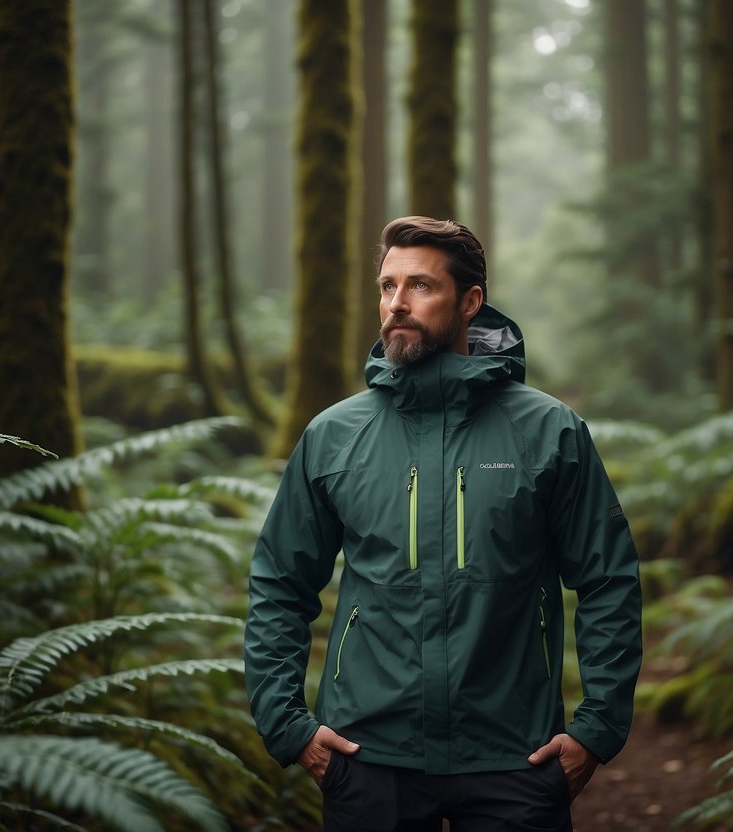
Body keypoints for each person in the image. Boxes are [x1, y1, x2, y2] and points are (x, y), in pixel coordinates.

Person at [245, 216, 642, 831]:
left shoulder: (548, 431)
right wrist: (288, 725)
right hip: (368, 755)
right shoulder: (333, 436)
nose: (396, 304)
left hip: (515, 755)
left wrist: (598, 728)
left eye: (420, 286)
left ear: (470, 302)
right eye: (386, 286)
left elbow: (608, 579)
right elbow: (279, 583)